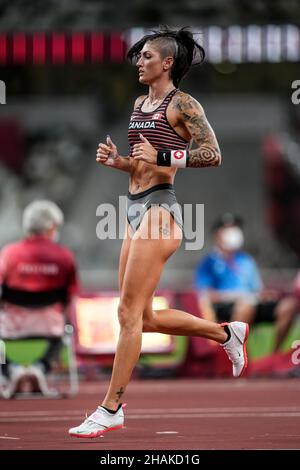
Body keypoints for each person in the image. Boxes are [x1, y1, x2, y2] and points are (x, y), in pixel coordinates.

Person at [69, 26, 249, 439]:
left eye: (147, 56)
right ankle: (224, 333)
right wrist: (119, 162)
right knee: (141, 317)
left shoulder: (182, 103)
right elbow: (143, 162)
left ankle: (111, 406)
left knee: (128, 315)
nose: (139, 61)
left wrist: (166, 153)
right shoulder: (139, 103)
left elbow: (213, 154)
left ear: (167, 63)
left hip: (160, 211)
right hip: (132, 210)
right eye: (138, 56)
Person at [0, 200, 79, 395]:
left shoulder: (10, 253)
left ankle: (9, 369)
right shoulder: (64, 256)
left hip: (11, 325)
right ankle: (41, 367)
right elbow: (70, 296)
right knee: (66, 331)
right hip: (51, 326)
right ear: (52, 226)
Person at [195, 212, 298, 352]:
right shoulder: (208, 262)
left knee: (289, 306)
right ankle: (237, 355)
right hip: (227, 307)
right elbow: (205, 295)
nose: (234, 232)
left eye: (235, 228)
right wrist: (236, 296)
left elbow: (256, 289)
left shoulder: (246, 260)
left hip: (252, 302)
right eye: (228, 229)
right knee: (246, 305)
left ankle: (274, 355)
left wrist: (265, 295)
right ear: (217, 235)